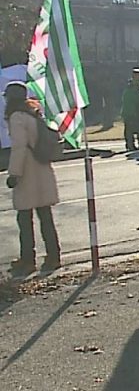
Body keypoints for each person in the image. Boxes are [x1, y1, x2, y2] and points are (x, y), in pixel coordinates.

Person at [4, 82, 61, 276]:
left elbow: (19, 147)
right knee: (45, 215)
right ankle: (54, 255)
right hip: (41, 167)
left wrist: (14, 174)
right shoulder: (33, 113)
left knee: (24, 218)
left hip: (27, 171)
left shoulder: (17, 117)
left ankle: (28, 259)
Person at [121, 68, 139, 152]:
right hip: (130, 112)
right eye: (136, 75)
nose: (138, 77)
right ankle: (130, 145)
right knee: (129, 130)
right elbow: (128, 100)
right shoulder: (130, 87)